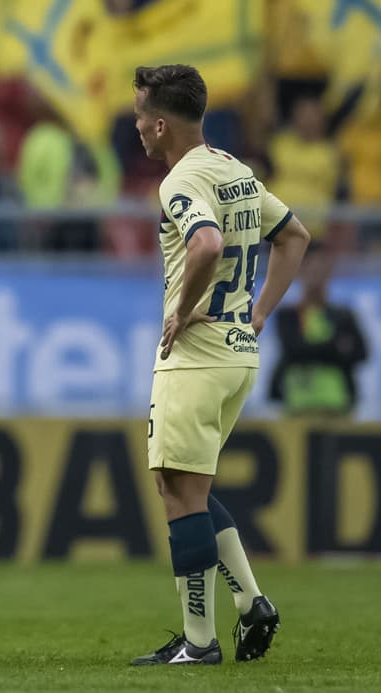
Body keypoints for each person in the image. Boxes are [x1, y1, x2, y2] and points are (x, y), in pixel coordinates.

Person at [128, 64, 310, 666]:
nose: (136, 127)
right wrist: (258, 314)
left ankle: (199, 641)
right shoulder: (235, 169)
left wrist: (181, 311)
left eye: (140, 117)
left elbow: (205, 244)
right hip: (237, 352)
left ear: (160, 124)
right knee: (187, 486)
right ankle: (251, 603)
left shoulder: (180, 180)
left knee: (179, 492)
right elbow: (295, 236)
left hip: (197, 358)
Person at [269, 245, 369, 417]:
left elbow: (362, 352)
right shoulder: (289, 315)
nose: (316, 274)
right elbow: (292, 349)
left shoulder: (343, 315)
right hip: (296, 406)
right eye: (311, 268)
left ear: (328, 272)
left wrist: (306, 348)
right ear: (300, 271)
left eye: (320, 268)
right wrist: (335, 348)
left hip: (338, 406)